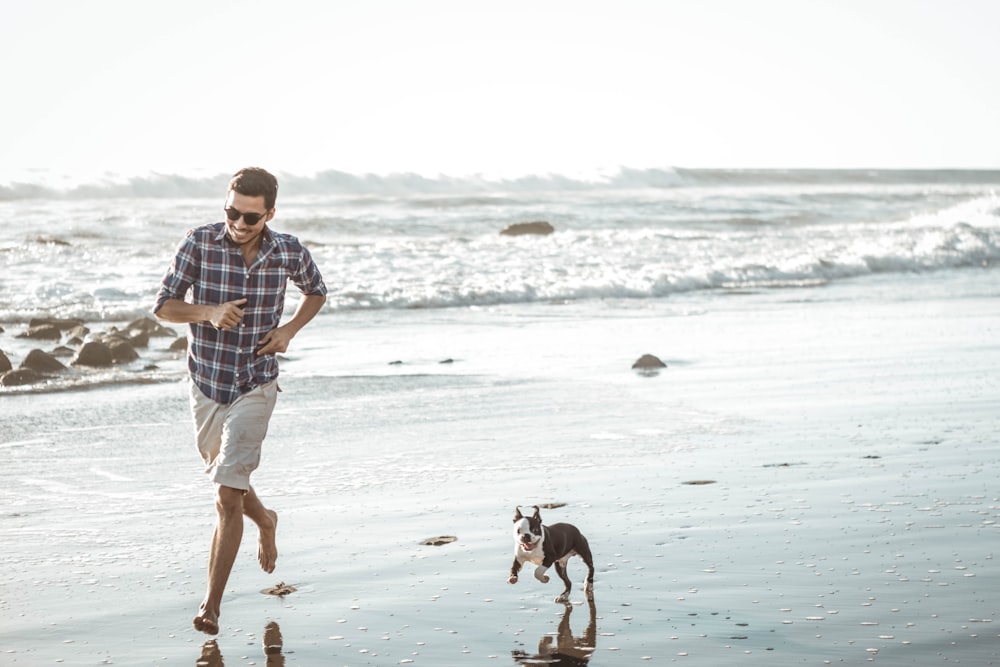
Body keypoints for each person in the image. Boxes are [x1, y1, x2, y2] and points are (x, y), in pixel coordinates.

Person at [154, 167, 327, 635]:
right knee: (225, 477)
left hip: (256, 382)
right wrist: (207, 312)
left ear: (269, 213)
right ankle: (266, 520)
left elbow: (316, 291)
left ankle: (210, 606)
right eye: (231, 211)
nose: (238, 223)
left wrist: (288, 331)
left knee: (227, 496)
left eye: (249, 217)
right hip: (206, 383)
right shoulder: (200, 243)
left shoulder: (287, 250)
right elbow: (164, 305)